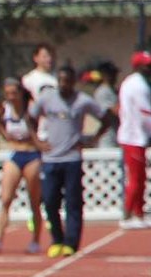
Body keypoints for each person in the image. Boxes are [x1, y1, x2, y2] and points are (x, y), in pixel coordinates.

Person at [32, 63, 115, 257]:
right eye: (60, 81)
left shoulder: (83, 101)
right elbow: (30, 117)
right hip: (51, 158)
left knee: (73, 202)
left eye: (67, 81)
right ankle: (57, 239)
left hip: (72, 158)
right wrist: (37, 140)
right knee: (50, 201)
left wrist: (92, 138)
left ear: (73, 82)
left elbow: (106, 118)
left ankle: (71, 242)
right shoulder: (47, 99)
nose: (63, 85)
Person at [0, 79, 43, 254]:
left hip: (32, 154)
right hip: (15, 154)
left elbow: (37, 131)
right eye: (7, 93)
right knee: (6, 198)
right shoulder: (5, 108)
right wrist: (5, 135)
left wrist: (38, 142)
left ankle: (35, 240)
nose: (11, 97)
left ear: (20, 93)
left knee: (34, 201)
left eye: (13, 93)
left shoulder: (31, 109)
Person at [119, 51, 151, 230]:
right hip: (133, 137)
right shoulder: (138, 85)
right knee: (136, 179)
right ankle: (127, 214)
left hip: (136, 136)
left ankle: (138, 213)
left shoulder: (134, 82)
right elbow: (145, 113)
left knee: (140, 177)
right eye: (147, 65)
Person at [89, 61, 120, 148]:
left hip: (117, 135)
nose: (114, 76)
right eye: (111, 74)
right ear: (104, 75)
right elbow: (113, 112)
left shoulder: (113, 91)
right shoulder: (102, 92)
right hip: (107, 137)